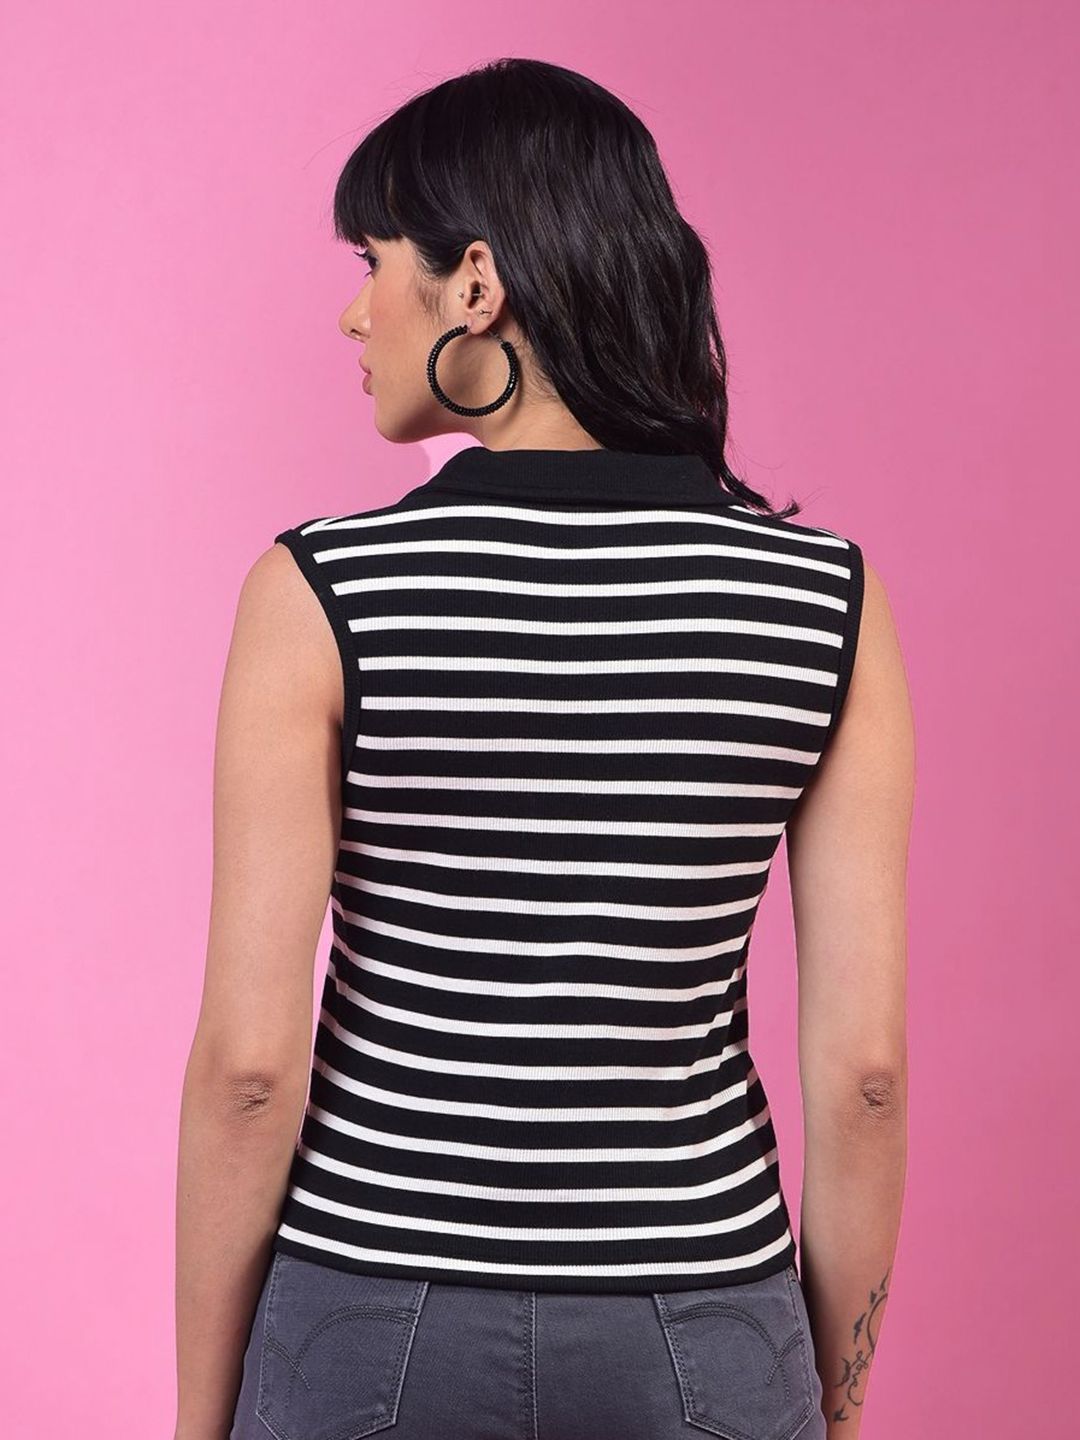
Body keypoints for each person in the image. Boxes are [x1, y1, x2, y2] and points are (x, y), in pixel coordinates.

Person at [174, 58, 912, 1440]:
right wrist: (826, 1406)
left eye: (373, 259)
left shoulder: (326, 592)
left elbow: (250, 1073)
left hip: (374, 1310)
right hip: (701, 1320)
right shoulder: (826, 600)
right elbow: (864, 1076)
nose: (354, 310)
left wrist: (200, 1421)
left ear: (475, 284)